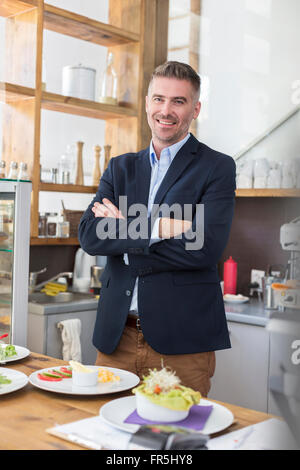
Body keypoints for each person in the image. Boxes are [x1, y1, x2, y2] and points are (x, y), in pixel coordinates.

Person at [78, 61, 236, 397]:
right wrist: (158, 226)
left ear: (195, 108)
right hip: (116, 340)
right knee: (104, 439)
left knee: (178, 441)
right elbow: (90, 235)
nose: (166, 110)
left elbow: (204, 247)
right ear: (148, 103)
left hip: (182, 345)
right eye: (159, 99)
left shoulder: (217, 167)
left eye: (178, 101)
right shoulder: (120, 167)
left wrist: (123, 233)